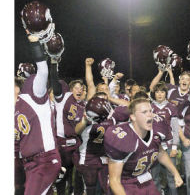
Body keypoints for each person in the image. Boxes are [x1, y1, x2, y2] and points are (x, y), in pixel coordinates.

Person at [104, 98, 183, 195]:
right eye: (144, 112)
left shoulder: (156, 129)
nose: (150, 114)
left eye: (150, 111)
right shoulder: (122, 139)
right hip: (126, 183)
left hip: (146, 179)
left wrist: (175, 173)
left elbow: (160, 153)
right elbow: (115, 181)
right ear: (133, 117)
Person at [14, 32, 61, 195]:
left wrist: (35, 44)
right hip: (27, 163)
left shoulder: (31, 94)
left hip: (44, 161)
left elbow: (42, 71)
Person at [50, 57, 86, 194]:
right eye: (76, 88)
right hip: (62, 143)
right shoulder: (63, 97)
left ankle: (75, 192)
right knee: (62, 175)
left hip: (76, 143)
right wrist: (54, 64)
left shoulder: (83, 104)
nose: (79, 90)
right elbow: (54, 80)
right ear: (70, 89)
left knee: (78, 173)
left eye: (81, 88)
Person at [73, 94, 115, 195]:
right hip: (88, 158)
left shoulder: (113, 116)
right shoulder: (87, 114)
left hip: (104, 158)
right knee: (89, 189)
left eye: (105, 101)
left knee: (107, 188)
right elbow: (76, 131)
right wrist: (85, 120)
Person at [150, 81, 180, 195]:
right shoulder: (150, 107)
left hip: (168, 145)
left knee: (171, 176)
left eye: (162, 91)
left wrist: (174, 146)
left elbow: (175, 128)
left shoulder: (171, 107)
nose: (159, 94)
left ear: (166, 93)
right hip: (154, 147)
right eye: (157, 92)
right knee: (154, 177)